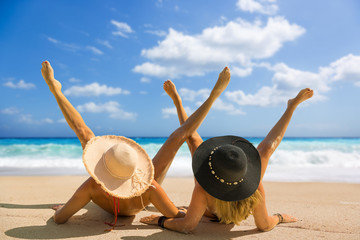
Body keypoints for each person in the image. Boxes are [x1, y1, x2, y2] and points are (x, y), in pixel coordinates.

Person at [40, 60, 231, 229]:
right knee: (178, 137)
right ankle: (212, 96)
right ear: (136, 167)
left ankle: (55, 90)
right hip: (141, 192)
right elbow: (178, 216)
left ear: (100, 165)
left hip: (107, 194)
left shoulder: (91, 187)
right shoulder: (149, 186)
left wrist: (67, 207)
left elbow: (59, 218)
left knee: (84, 134)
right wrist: (178, 214)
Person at [140, 80, 314, 233]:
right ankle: (292, 106)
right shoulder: (255, 186)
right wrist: (279, 217)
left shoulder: (203, 188)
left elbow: (187, 225)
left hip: (208, 210)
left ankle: (178, 102)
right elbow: (264, 224)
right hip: (235, 195)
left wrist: (161, 221)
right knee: (267, 148)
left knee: (192, 139)